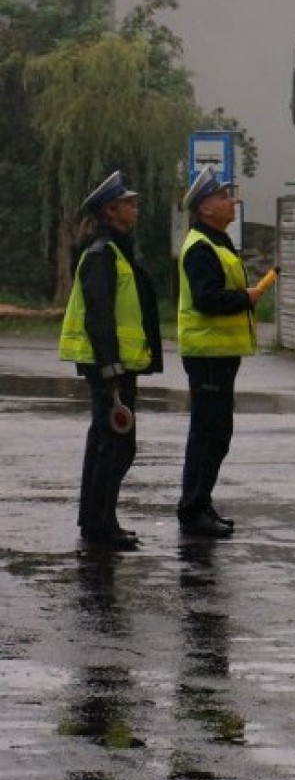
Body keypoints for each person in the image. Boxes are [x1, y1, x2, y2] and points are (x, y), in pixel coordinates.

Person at [59, 170, 162, 550]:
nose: (135, 208)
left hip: (115, 363)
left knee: (105, 441)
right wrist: (110, 367)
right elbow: (98, 315)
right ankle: (101, 524)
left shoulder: (115, 250)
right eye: (128, 203)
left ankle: (96, 519)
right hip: (109, 365)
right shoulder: (102, 254)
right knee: (117, 444)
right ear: (110, 210)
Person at [177, 165, 263, 537]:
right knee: (209, 433)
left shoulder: (217, 241)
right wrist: (245, 297)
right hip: (207, 354)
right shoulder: (201, 247)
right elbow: (206, 299)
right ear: (205, 208)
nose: (232, 202)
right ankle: (193, 508)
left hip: (219, 355)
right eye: (223, 197)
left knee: (216, 432)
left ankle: (200, 502)